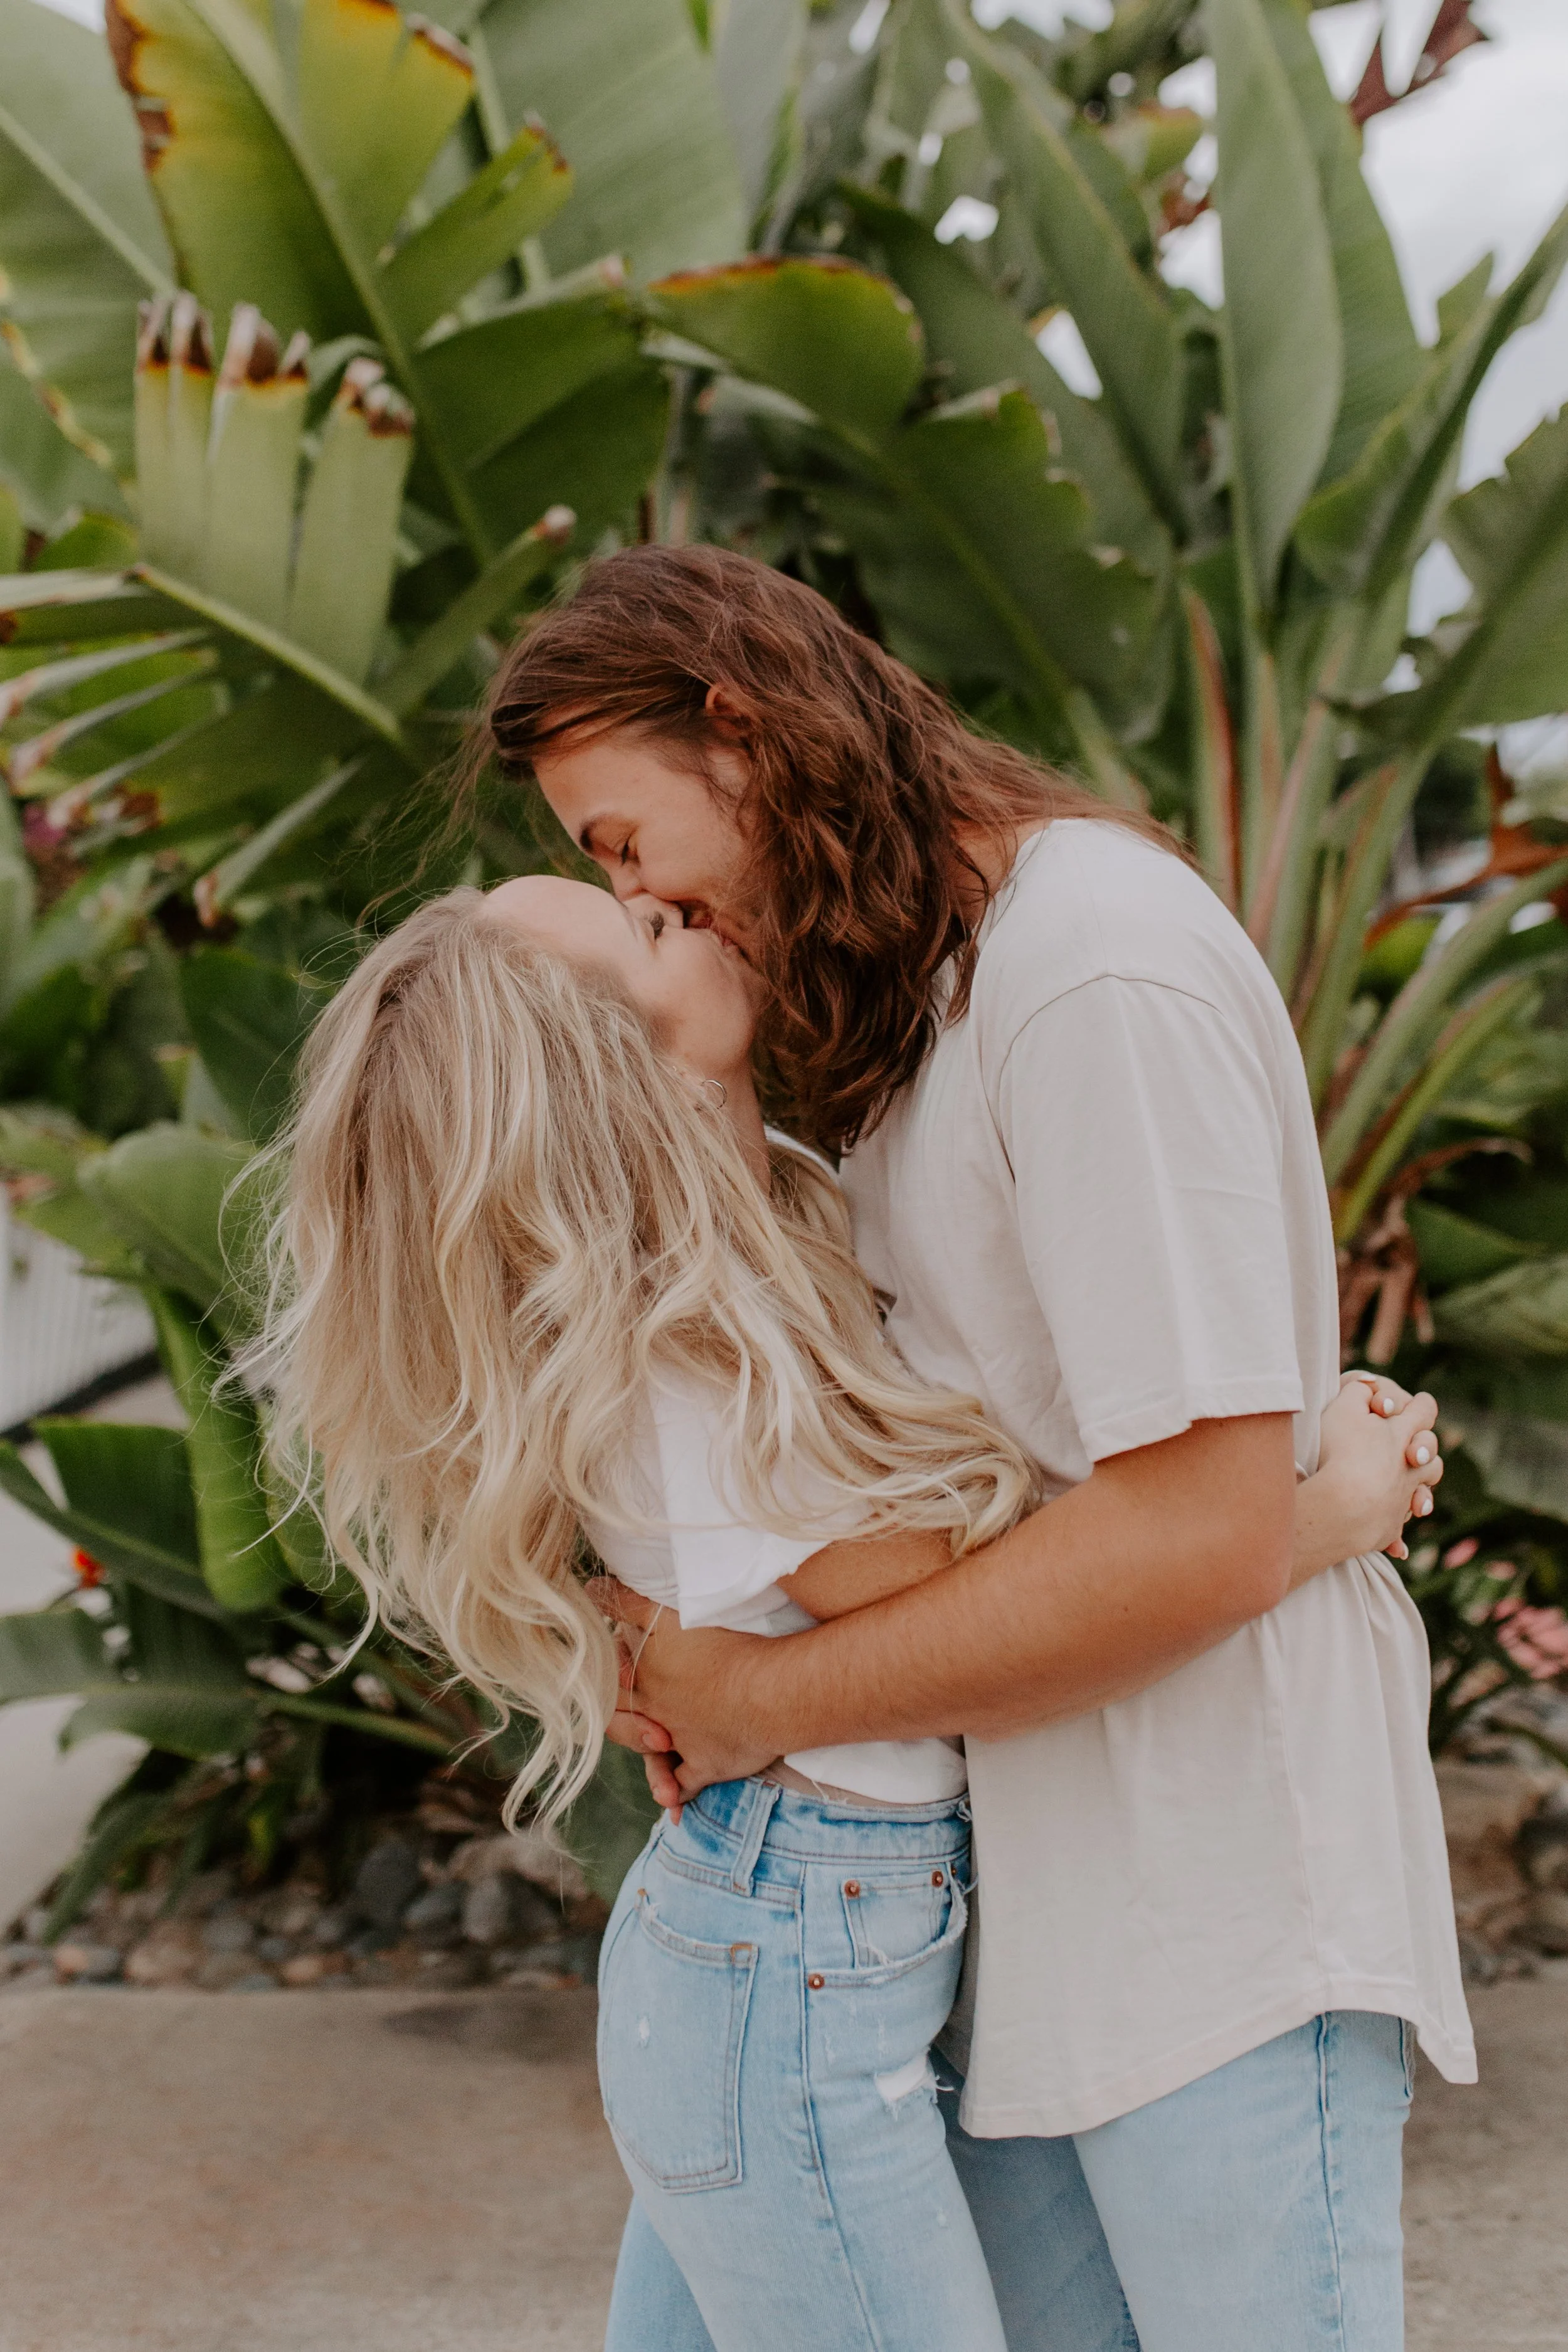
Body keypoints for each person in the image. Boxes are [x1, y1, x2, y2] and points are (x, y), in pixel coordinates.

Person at [472, 543, 1476, 2352]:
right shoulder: (903, 997)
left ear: (743, 731)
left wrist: (754, 1693)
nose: (653, 911)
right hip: (1014, 1882)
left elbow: (1182, 1530)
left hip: (1208, 1878)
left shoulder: (1086, 970)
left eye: (627, 846)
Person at [252, 871, 1442, 2352]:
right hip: (785, 1964)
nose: (679, 907)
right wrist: (1318, 1511)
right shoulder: (694, 1354)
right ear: (613, 1066)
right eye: (644, 931)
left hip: (789, 1949)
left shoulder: (760, 1247)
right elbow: (973, 1603)